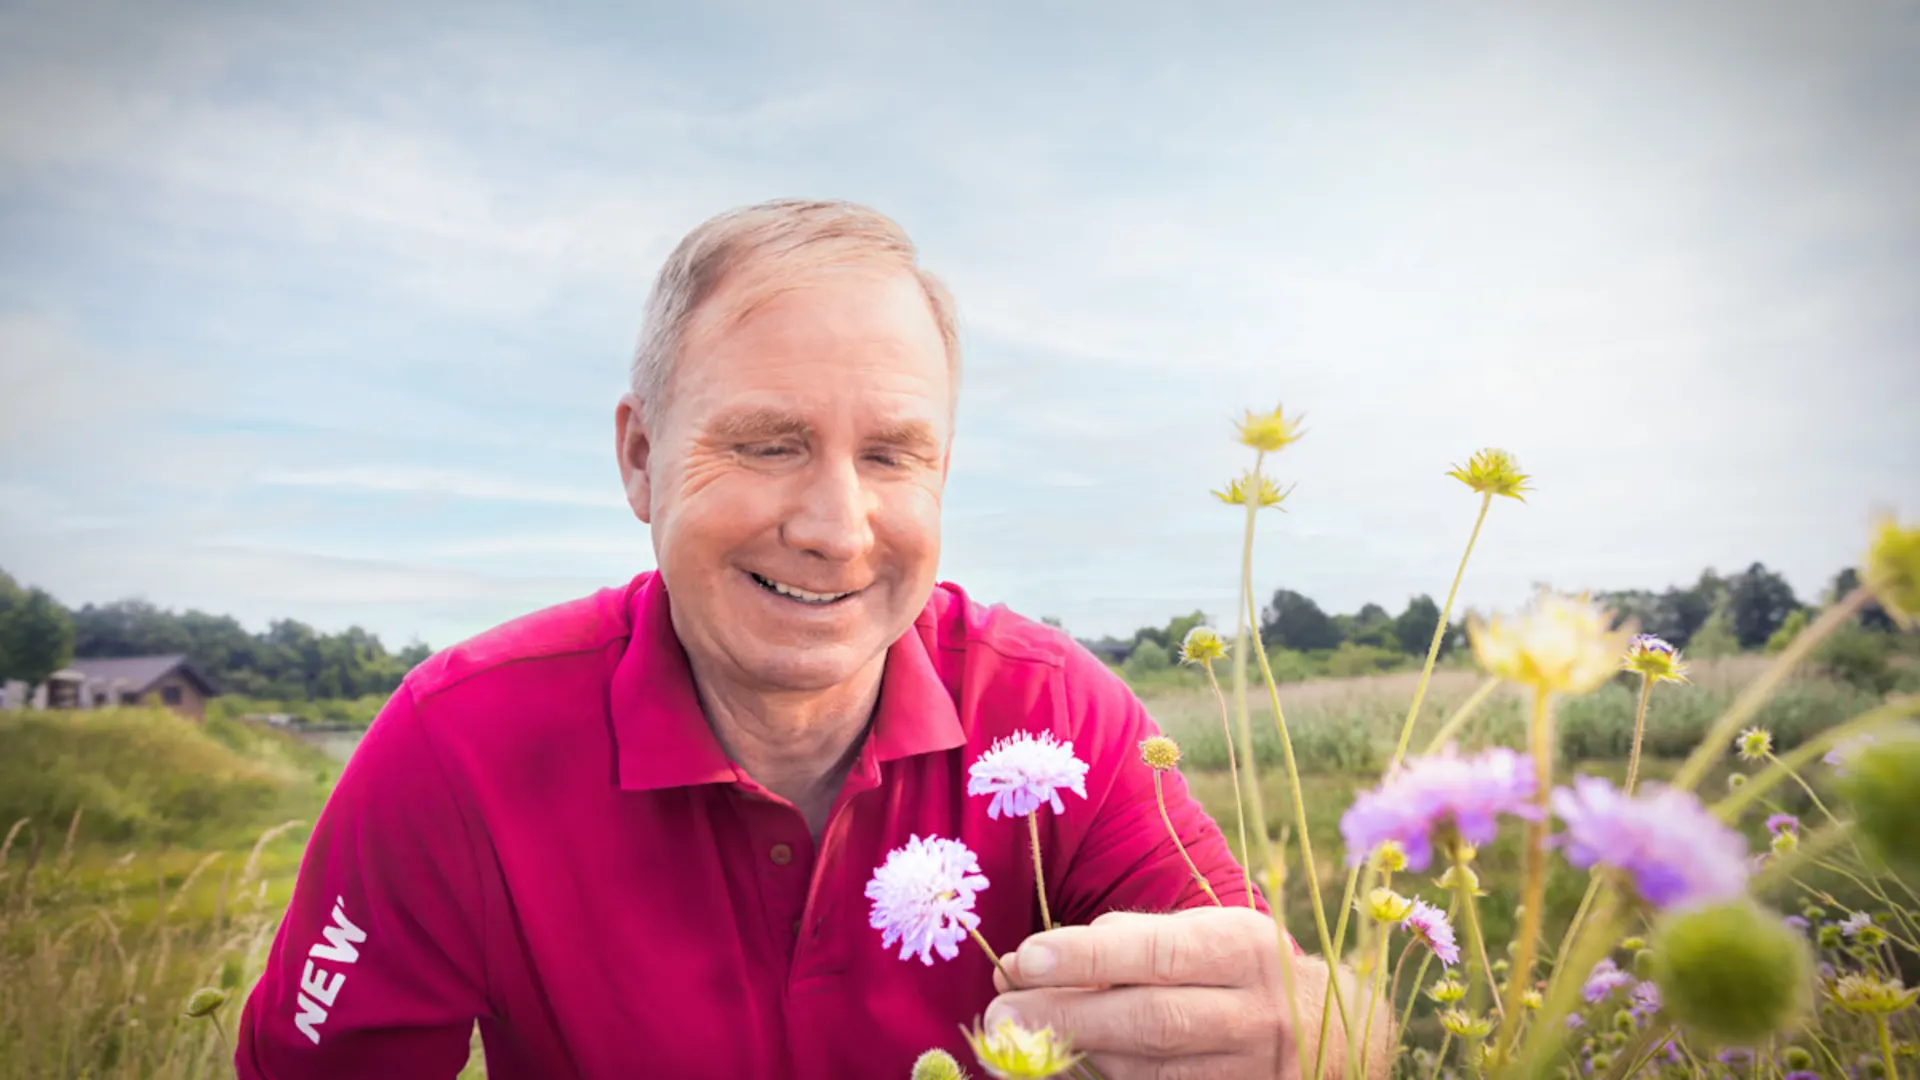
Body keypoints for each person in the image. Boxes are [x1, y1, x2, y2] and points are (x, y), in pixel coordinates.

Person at [235, 199, 1376, 1079]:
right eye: (768, 442)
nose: (837, 529)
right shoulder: (458, 746)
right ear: (639, 459)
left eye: (891, 455)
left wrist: (1339, 1039)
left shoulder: (1055, 720)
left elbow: (1265, 1010)